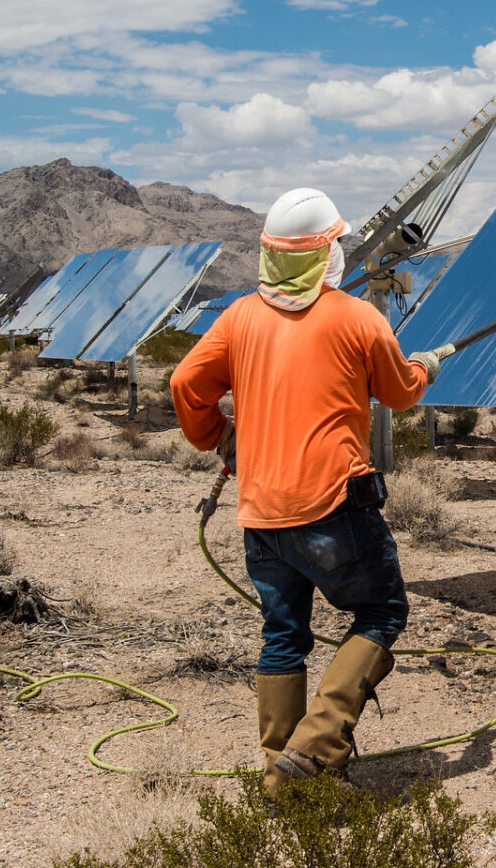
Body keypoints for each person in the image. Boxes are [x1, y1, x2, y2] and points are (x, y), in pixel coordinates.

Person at [170, 187, 452, 795]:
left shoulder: (239, 317)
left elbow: (186, 382)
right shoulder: (356, 317)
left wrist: (217, 434)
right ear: (328, 253)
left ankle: (282, 775)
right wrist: (426, 365)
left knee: (282, 635)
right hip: (333, 507)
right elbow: (400, 392)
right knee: (381, 610)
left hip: (262, 512)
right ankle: (316, 746)